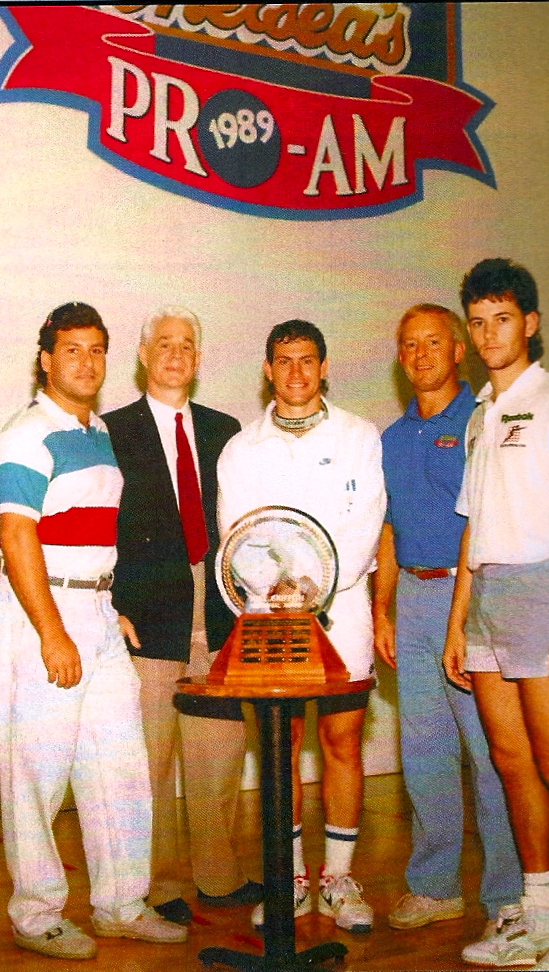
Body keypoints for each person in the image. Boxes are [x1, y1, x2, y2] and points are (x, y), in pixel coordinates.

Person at [0, 302, 188, 961]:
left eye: (96, 349)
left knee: (119, 764)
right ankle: (37, 913)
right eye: (71, 349)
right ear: (46, 359)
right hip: (40, 613)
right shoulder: (27, 434)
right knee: (37, 770)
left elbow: (90, 534)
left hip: (96, 614)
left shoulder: (99, 432)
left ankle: (122, 903)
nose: (86, 361)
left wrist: (105, 604)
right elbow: (18, 535)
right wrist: (52, 630)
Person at [444, 259, 549, 971]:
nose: (490, 333)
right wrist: (458, 623)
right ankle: (538, 915)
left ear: (531, 324)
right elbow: (471, 528)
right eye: (479, 322)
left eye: (503, 319)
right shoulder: (480, 415)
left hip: (545, 593)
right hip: (486, 599)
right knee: (511, 764)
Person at [217, 319, 386, 934]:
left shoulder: (359, 436)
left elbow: (364, 522)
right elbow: (239, 533)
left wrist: (313, 585)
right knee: (281, 749)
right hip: (269, 617)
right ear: (268, 369)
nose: (295, 373)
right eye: (283, 361)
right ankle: (288, 881)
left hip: (342, 612)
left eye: (306, 361)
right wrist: (278, 590)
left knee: (342, 743)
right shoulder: (241, 448)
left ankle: (339, 879)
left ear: (323, 366)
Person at [103, 307, 261, 921]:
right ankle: (161, 886)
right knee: (149, 763)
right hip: (147, 624)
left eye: (187, 345)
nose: (175, 354)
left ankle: (219, 878)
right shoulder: (113, 431)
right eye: (164, 344)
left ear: (198, 359)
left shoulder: (227, 431)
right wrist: (110, 608)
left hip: (217, 620)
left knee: (218, 754)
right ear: (144, 356)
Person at [373, 304, 522, 932]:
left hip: (478, 601)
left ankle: (509, 895)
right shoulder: (391, 436)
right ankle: (435, 887)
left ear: (457, 350)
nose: (421, 354)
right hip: (412, 599)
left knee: (491, 752)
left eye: (433, 342)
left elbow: (480, 525)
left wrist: (460, 621)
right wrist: (381, 608)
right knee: (425, 750)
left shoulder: (481, 422)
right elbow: (386, 528)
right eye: (410, 345)